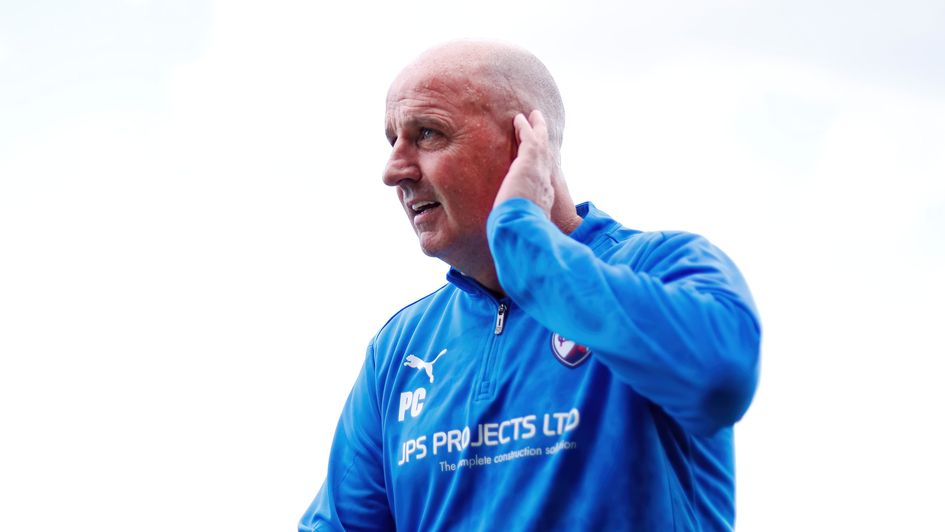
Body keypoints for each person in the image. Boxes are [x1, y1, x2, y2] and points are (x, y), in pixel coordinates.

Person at [299, 40, 760, 531]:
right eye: (392, 140)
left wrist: (522, 238)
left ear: (523, 143)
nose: (394, 170)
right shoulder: (399, 349)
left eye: (427, 134)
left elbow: (722, 380)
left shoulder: (663, 267)